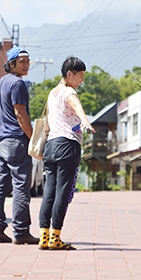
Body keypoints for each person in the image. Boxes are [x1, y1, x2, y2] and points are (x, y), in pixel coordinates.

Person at [0, 47, 39, 245]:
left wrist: (0, 118)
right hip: (16, 140)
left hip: (1, 141)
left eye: (28, 61)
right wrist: (33, 139)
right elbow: (21, 115)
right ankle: (21, 232)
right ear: (11, 63)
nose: (26, 64)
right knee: (21, 186)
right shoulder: (18, 84)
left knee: (1, 184)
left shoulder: (0, 84)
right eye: (22, 61)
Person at [38, 56, 95, 250]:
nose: (82, 81)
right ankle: (56, 237)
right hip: (67, 145)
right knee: (62, 191)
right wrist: (84, 119)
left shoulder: (52, 93)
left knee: (49, 191)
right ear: (69, 74)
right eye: (80, 76)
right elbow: (75, 104)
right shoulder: (68, 91)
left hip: (51, 145)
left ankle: (44, 236)